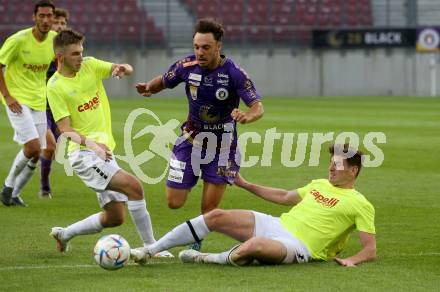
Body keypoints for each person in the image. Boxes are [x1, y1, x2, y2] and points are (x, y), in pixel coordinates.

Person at [131, 144, 377, 267]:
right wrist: (245, 184)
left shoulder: (360, 204)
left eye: (338, 164)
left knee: (254, 246)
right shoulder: (319, 184)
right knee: (216, 216)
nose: (331, 168)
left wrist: (352, 260)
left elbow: (370, 249)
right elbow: (284, 197)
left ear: (353, 170)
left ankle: (205, 257)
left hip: (300, 246)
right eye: (331, 163)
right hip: (278, 224)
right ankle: (150, 250)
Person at [135, 18, 264, 250]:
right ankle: (191, 176)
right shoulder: (187, 66)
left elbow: (257, 107)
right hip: (189, 141)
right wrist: (149, 88)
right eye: (196, 47)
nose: (200, 52)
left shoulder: (235, 74)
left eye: (205, 47)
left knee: (209, 210)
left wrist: (247, 116)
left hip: (223, 149)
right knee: (174, 202)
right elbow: (164, 80)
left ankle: (196, 243)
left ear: (218, 46)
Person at [46, 29, 172, 257]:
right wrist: (91, 144)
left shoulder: (90, 65)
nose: (80, 57)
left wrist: (121, 68)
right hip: (83, 154)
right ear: (60, 55)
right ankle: (151, 248)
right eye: (75, 54)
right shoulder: (55, 87)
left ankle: (64, 234)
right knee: (134, 187)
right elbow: (64, 129)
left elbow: (124, 67)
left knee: (115, 217)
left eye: (81, 52)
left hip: (103, 152)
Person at [0, 0, 57, 207]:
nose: (45, 20)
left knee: (48, 148)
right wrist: (7, 96)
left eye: (49, 16)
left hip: (38, 101)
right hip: (17, 100)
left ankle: (15, 193)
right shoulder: (18, 40)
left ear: (53, 17)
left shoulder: (54, 40)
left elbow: (62, 65)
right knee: (33, 147)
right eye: (41, 16)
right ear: (34, 17)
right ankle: (7, 186)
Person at [39, 7, 70, 199]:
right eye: (56, 22)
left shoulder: (70, 49)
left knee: (53, 149)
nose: (59, 26)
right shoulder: (42, 49)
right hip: (40, 106)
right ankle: (44, 187)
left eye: (63, 23)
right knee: (49, 147)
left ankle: (36, 164)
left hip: (59, 108)